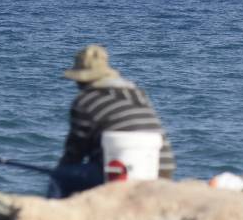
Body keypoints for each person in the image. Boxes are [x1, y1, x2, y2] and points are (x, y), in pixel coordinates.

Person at [47, 45, 176, 198]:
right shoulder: (137, 94)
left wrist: (59, 171)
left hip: (116, 174)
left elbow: (75, 153)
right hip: (161, 170)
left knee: (61, 177)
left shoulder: (85, 101)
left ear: (81, 79)